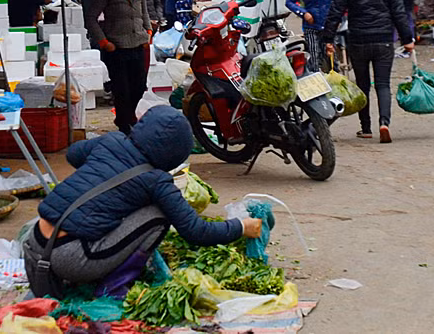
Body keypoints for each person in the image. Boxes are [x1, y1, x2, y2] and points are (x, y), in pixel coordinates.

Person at [22, 105, 261, 298]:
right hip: (72, 259)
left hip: (36, 242)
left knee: (126, 208)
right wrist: (241, 227)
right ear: (175, 154)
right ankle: (113, 287)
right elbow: (196, 231)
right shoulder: (156, 180)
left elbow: (74, 154)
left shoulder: (111, 141)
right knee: (158, 215)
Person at [321, 0, 414, 144]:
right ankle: (384, 123)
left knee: (363, 84)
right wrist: (407, 39)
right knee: (383, 84)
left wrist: (328, 38)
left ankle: (366, 128)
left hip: (358, 40)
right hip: (384, 40)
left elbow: (335, 11)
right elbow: (399, 11)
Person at [84, 0, 152, 134]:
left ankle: (128, 118)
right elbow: (91, 18)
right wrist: (104, 42)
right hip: (116, 48)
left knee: (139, 86)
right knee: (122, 90)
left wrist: (148, 31)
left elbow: (144, 12)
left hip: (138, 44)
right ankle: (125, 125)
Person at [287, 0, 338, 72]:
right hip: (311, 27)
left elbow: (338, 1)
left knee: (332, 60)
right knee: (314, 60)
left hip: (329, 27)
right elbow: (289, 1)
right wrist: (303, 13)